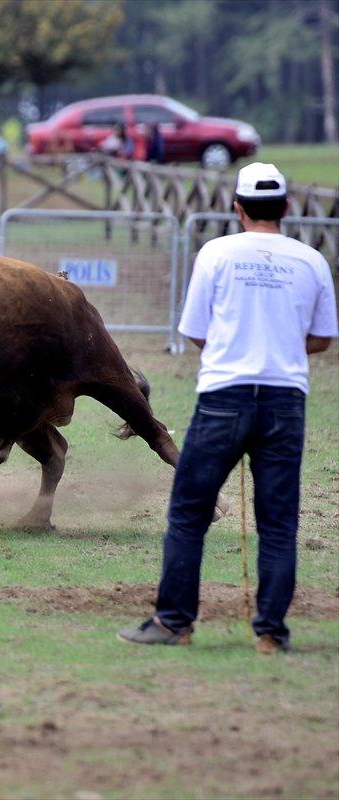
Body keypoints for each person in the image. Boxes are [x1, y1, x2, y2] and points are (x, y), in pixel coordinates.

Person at [118, 162, 336, 654]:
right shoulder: (311, 261)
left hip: (224, 399)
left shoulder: (216, 254)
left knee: (189, 513)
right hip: (285, 402)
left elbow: (195, 330)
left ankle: (174, 622)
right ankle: (271, 633)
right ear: (286, 208)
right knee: (278, 522)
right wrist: (281, 344)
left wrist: (235, 347)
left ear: (237, 208)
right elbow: (323, 338)